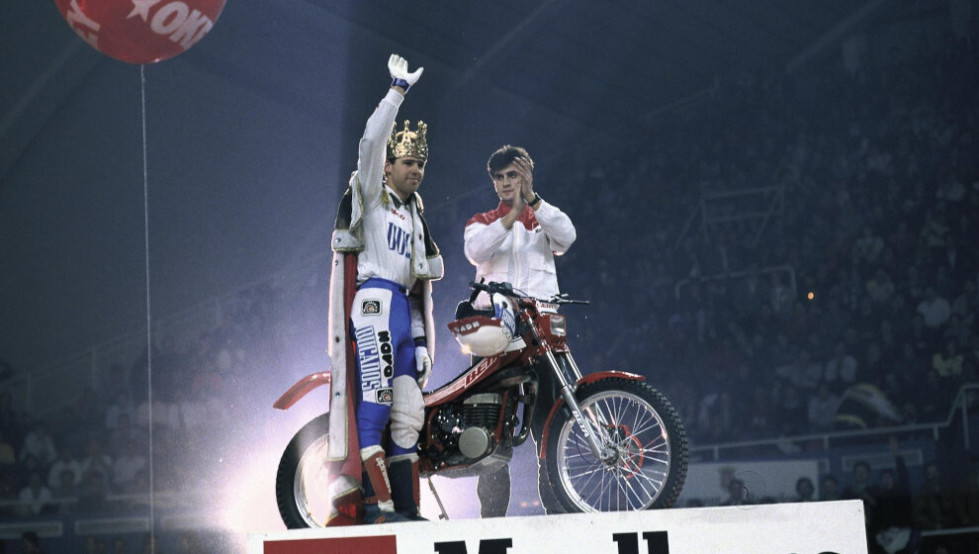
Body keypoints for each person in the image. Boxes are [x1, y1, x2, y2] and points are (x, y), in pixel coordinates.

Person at [324, 54, 442, 525]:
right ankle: (384, 510)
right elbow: (370, 141)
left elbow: (417, 289)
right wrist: (396, 91)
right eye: (408, 162)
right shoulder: (372, 192)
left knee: (409, 417)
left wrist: (419, 341)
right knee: (374, 409)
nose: (416, 171)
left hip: (401, 315)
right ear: (390, 166)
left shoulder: (416, 216)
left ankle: (408, 512)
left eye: (421, 165)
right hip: (373, 304)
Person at [463, 144, 576, 517]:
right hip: (495, 336)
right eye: (500, 177)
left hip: (540, 336)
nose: (506, 182)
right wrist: (511, 215)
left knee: (551, 424)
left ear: (527, 173)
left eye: (513, 174)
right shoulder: (482, 222)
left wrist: (533, 203)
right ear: (493, 182)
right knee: (491, 429)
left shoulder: (544, 223)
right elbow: (477, 251)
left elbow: (568, 236)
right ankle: (492, 523)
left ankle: (557, 514)